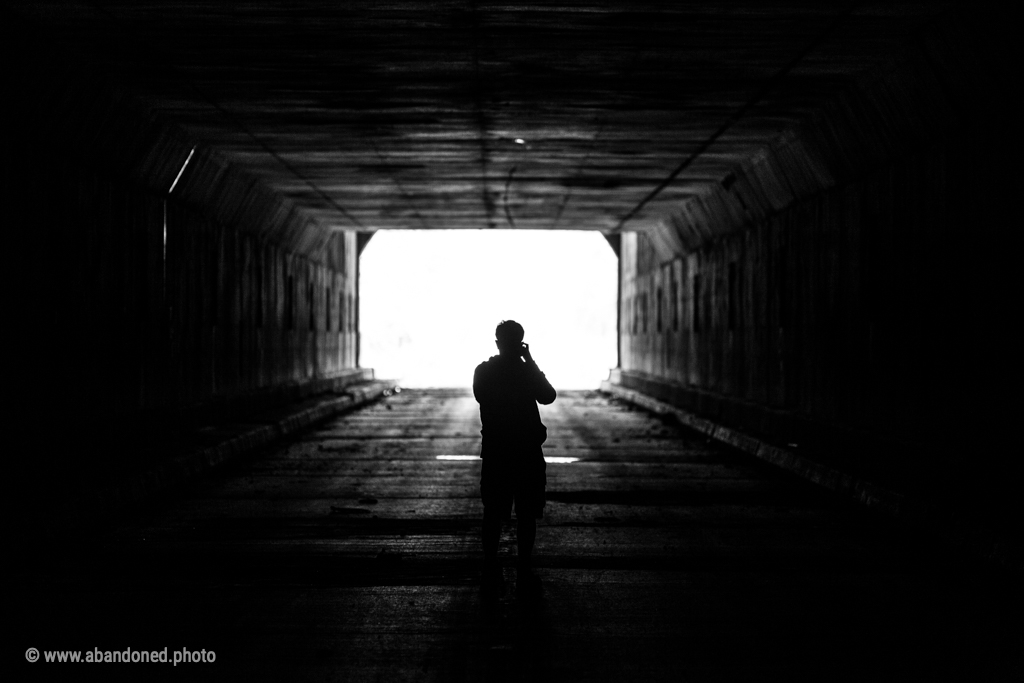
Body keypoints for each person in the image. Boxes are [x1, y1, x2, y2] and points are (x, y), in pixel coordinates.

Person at [473, 320, 556, 595]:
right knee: (527, 514)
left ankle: (490, 567)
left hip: (497, 452)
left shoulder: (484, 372)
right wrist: (529, 361)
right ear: (521, 343)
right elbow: (548, 396)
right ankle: (523, 570)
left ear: (497, 342)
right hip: (526, 451)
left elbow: (481, 395)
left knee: (493, 513)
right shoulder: (525, 372)